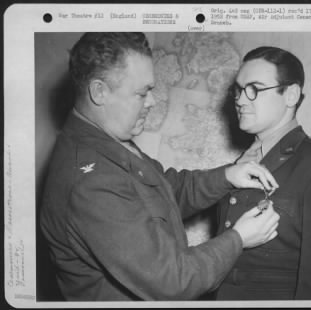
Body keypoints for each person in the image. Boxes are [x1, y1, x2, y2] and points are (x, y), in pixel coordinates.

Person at [39, 33, 281, 301]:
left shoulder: (107, 140)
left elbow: (164, 191)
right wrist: (239, 238)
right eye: (142, 93)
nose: (152, 102)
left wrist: (227, 176)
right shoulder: (91, 183)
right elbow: (172, 280)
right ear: (99, 92)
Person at [214, 46, 311, 300]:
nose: (240, 99)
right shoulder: (244, 163)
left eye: (254, 89)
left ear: (290, 94)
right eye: (238, 89)